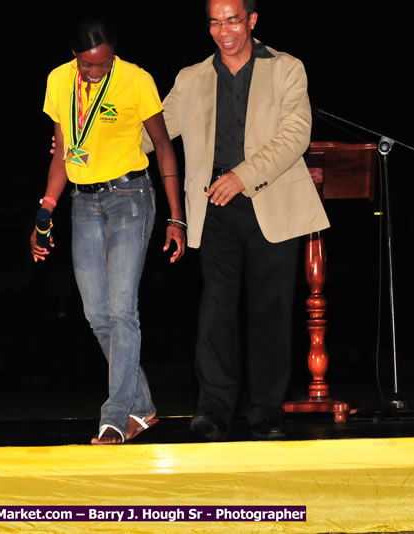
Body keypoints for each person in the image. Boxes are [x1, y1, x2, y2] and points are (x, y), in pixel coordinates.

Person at [143, 0, 330, 440]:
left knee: (270, 311)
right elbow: (154, 131)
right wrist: (91, 146)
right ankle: (213, 410)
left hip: (271, 203)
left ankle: (265, 409)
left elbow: (295, 134)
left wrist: (242, 177)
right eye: (214, 21)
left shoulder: (286, 68)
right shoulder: (191, 79)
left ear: (252, 20)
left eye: (232, 20)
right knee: (215, 311)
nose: (223, 30)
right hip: (214, 207)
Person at [30, 14, 186, 445]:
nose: (95, 73)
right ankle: (144, 409)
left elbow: (165, 148)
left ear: (114, 54)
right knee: (96, 315)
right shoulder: (59, 81)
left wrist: (177, 217)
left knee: (122, 312)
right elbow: (62, 152)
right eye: (87, 66)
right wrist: (45, 213)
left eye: (103, 65)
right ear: (74, 57)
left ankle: (114, 416)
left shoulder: (136, 80)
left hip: (131, 198)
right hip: (83, 202)